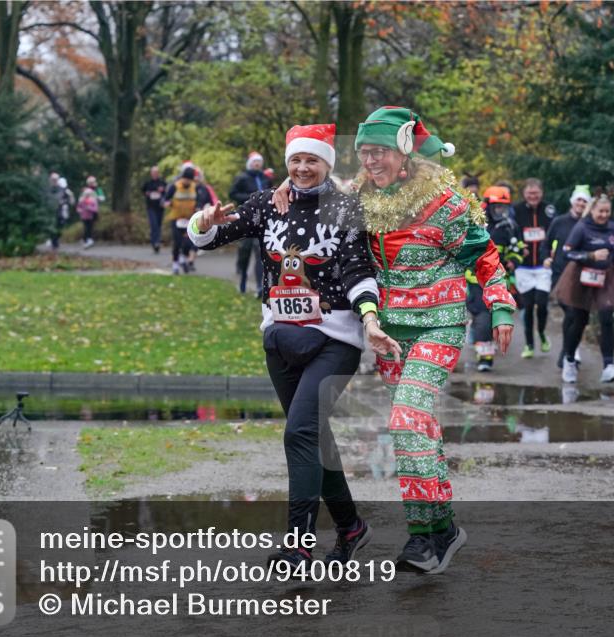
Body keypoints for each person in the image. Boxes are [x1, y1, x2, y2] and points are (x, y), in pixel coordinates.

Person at [189, 124, 390, 567]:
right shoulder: (267, 202)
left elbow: (358, 269)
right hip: (280, 339)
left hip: (334, 341)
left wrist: (370, 320)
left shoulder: (346, 207)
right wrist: (203, 225)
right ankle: (352, 527)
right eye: (296, 160)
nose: (302, 168)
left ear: (326, 164)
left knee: (299, 432)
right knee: (315, 437)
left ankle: (298, 542)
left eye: (312, 160)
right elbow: (215, 233)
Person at [351, 107, 516, 573]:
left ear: (404, 155)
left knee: (407, 421)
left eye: (379, 151)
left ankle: (434, 534)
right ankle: (432, 533)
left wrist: (500, 305)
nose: (370, 161)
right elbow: (312, 198)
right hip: (389, 335)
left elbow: (484, 255)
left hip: (438, 324)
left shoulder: (444, 203)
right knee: (414, 432)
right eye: (364, 152)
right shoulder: (359, 200)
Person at [553, 193, 614, 383]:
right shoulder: (582, 227)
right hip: (580, 278)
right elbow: (567, 253)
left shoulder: (612, 227)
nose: (604, 215)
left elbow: (613, 250)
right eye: (600, 211)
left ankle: (608, 365)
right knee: (579, 320)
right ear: (592, 210)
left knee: (607, 317)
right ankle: (569, 360)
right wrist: (590, 256)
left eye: (607, 211)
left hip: (603, 278)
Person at [467, 185, 521, 372]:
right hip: (476, 281)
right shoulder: (475, 225)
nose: (500, 212)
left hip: (499, 281)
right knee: (482, 317)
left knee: (494, 316)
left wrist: (514, 261)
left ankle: (484, 344)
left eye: (503, 208)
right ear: (488, 206)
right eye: (497, 207)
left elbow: (518, 249)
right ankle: (485, 357)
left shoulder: (510, 227)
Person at [545, 185, 591, 369]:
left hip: (583, 275)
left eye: (585, 201)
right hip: (560, 274)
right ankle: (568, 353)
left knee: (579, 317)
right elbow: (547, 243)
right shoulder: (559, 222)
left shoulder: (590, 223)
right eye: (579, 200)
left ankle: (569, 351)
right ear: (573, 201)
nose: (581, 203)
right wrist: (545, 258)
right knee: (571, 313)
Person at [512, 178, 557, 358]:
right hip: (523, 267)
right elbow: (511, 233)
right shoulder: (516, 210)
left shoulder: (549, 210)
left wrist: (552, 253)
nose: (533, 196)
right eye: (530, 193)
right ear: (524, 194)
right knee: (528, 306)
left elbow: (555, 234)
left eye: (536, 193)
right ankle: (529, 344)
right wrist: (516, 250)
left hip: (543, 266)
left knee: (543, 304)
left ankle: (542, 333)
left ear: (541, 193)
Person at [231, 152, 272, 296]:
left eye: (259, 162)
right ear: (250, 163)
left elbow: (272, 194)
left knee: (260, 252)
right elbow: (233, 194)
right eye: (255, 162)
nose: (257, 164)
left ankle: (260, 287)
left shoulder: (265, 178)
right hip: (246, 219)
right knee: (245, 251)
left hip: (263, 220)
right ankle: (242, 277)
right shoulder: (242, 178)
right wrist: (252, 198)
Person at [164, 167, 211, 274]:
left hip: (189, 219)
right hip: (176, 218)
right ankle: (175, 265)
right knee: (177, 242)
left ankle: (183, 259)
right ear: (182, 178)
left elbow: (199, 200)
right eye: (185, 179)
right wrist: (168, 203)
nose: (187, 182)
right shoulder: (175, 186)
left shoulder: (194, 187)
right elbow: (166, 199)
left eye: (189, 180)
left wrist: (198, 207)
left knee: (187, 243)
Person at [141, 166, 167, 253]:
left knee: (158, 225)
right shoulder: (148, 183)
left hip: (160, 207)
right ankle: (154, 242)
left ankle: (157, 242)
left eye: (156, 173)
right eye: (153, 173)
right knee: (154, 224)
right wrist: (147, 193)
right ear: (151, 174)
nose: (155, 174)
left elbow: (167, 193)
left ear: (158, 173)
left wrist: (162, 191)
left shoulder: (162, 183)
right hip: (151, 207)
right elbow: (143, 191)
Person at [50, 176, 74, 250]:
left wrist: (71, 197)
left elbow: (72, 202)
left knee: (61, 225)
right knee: (55, 225)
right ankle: (54, 242)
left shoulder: (67, 191)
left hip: (63, 210)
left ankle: (56, 240)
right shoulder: (54, 190)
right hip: (55, 211)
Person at [76, 178, 101, 249]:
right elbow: (80, 203)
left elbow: (101, 198)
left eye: (93, 182)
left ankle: (89, 238)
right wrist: (80, 209)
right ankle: (86, 238)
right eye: (90, 182)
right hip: (84, 215)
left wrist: (97, 198)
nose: (92, 183)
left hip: (92, 213)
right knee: (86, 227)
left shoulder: (98, 190)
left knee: (90, 226)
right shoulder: (85, 191)